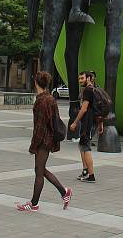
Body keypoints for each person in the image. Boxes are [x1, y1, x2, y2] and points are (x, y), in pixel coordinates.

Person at [16, 71, 72, 212]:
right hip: (49, 138)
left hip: (43, 140)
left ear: (36, 83)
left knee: (39, 172)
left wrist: (33, 146)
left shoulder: (42, 101)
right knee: (39, 169)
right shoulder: (50, 98)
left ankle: (34, 204)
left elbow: (40, 127)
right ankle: (64, 192)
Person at [69, 71, 100, 182]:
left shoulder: (88, 90)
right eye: (79, 78)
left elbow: (84, 108)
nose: (80, 80)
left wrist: (75, 122)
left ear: (89, 78)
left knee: (86, 148)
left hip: (88, 122)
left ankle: (91, 175)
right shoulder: (94, 89)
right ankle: (86, 171)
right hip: (91, 122)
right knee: (82, 146)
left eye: (82, 78)